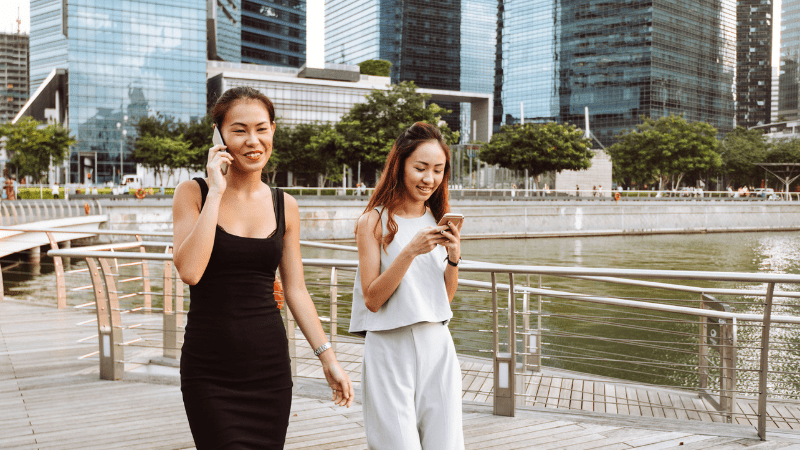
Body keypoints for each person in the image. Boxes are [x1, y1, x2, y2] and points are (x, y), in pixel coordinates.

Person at [172, 86, 353, 449]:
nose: (253, 141)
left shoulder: (285, 205)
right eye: (239, 130)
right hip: (209, 369)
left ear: (273, 131)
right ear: (218, 135)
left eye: (262, 128)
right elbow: (190, 270)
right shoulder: (193, 193)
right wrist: (217, 190)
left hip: (268, 368)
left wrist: (328, 358)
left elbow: (297, 290)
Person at [350, 122, 464, 449]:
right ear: (400, 165)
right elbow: (372, 299)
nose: (429, 178)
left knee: (446, 444)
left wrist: (454, 258)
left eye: (438, 170)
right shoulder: (373, 220)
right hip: (389, 345)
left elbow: (444, 299)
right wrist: (410, 250)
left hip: (437, 344)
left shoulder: (439, 218)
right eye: (421, 168)